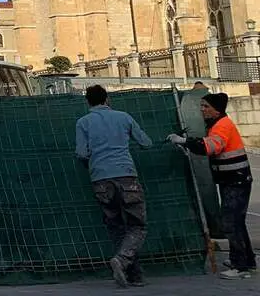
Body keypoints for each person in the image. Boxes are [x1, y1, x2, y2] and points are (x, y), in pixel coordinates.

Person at [169, 92, 255, 278]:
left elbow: (210, 147)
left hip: (236, 181)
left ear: (216, 110)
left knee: (231, 222)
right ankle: (246, 260)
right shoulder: (218, 124)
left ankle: (240, 267)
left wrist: (184, 141)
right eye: (201, 106)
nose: (202, 110)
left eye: (206, 106)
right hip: (232, 180)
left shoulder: (221, 126)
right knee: (237, 222)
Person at [76, 85, 153, 287]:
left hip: (100, 179)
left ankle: (133, 275)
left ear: (88, 102)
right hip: (126, 176)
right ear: (107, 99)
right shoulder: (124, 117)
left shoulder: (83, 122)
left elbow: (82, 153)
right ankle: (123, 261)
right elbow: (146, 142)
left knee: (116, 227)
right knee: (137, 225)